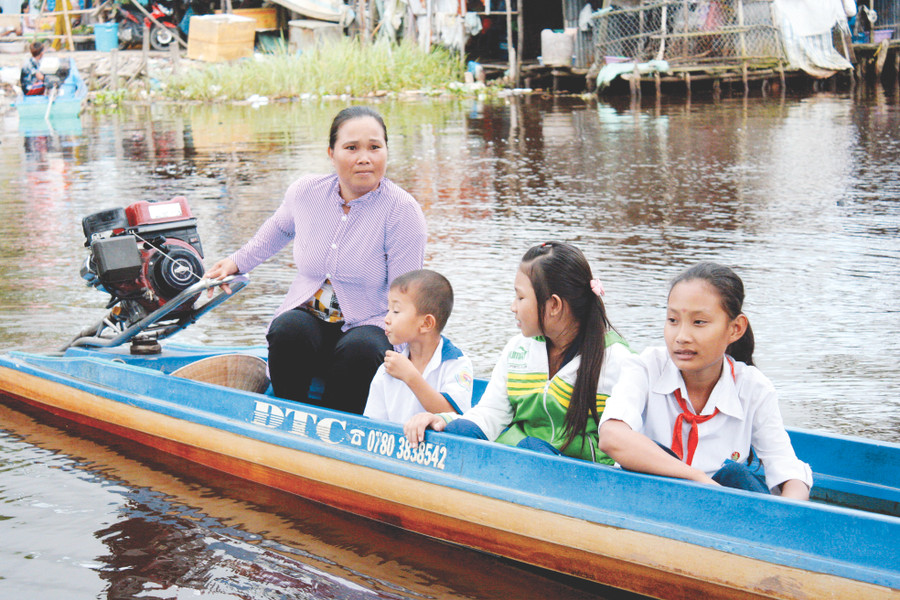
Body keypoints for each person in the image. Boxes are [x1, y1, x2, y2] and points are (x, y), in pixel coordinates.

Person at [204, 106, 427, 414]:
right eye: (351, 148)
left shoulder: (402, 211)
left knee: (360, 350)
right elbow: (278, 230)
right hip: (312, 315)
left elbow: (408, 295)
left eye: (375, 147)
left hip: (371, 323)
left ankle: (339, 431)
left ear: (386, 151)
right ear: (331, 153)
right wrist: (235, 263)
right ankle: (286, 416)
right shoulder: (306, 192)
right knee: (287, 331)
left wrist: (412, 358)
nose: (365, 157)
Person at [598, 262, 812, 499]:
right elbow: (612, 436)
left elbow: (787, 470)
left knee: (735, 476)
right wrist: (697, 478)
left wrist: (789, 517)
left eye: (699, 322)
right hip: (647, 498)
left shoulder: (754, 388)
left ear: (736, 328)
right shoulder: (646, 367)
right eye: (672, 320)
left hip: (721, 510)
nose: (681, 337)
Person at [404, 241, 633, 462]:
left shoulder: (617, 360)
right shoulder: (518, 349)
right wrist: (446, 422)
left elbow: (624, 446)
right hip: (517, 461)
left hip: (577, 476)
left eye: (521, 297)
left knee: (531, 449)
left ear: (554, 305)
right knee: (459, 432)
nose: (513, 306)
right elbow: (491, 412)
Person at [363, 269, 473, 424]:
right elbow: (373, 425)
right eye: (388, 310)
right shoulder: (388, 369)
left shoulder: (456, 363)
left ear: (426, 323)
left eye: (396, 311)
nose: (386, 319)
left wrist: (410, 376)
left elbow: (454, 417)